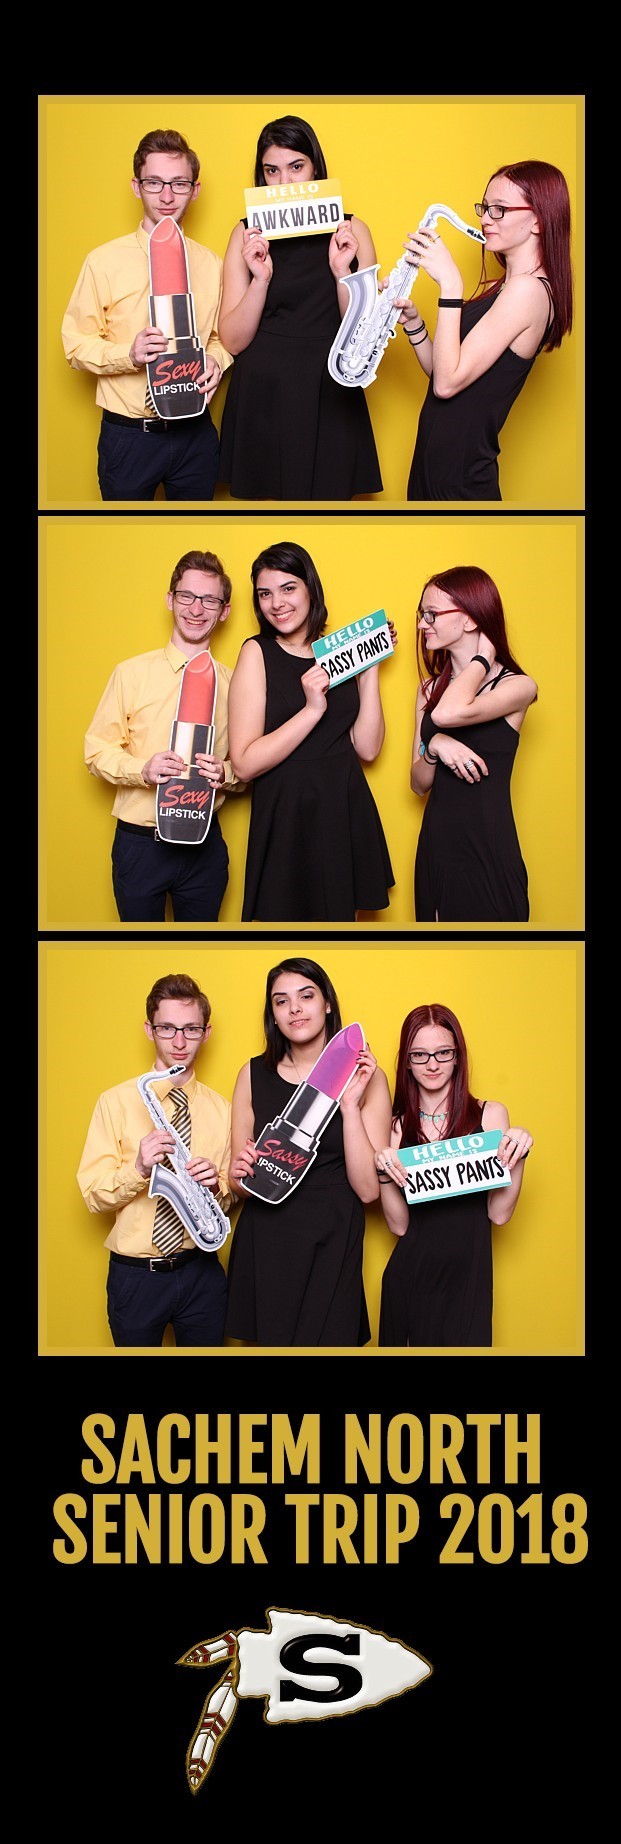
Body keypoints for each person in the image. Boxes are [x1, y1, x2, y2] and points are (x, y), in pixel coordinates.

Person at [225, 958, 392, 1346]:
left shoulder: (368, 1077)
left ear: (327, 1003)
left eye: (306, 996)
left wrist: (350, 1105)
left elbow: (369, 1190)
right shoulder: (251, 1074)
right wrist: (239, 1173)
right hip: (268, 1238)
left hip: (334, 1235)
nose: (294, 1009)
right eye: (281, 1001)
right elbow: (238, 1184)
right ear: (273, 1014)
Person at [217, 114, 382, 499]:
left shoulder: (352, 231)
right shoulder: (245, 235)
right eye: (271, 171)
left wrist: (342, 272)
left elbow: (366, 338)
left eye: (296, 167)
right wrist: (260, 279)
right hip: (263, 394)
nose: (285, 183)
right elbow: (233, 341)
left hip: (331, 388)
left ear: (315, 169)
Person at [62, 127, 231, 500]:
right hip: (129, 439)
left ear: (195, 190)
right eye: (154, 183)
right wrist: (129, 354)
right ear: (136, 187)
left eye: (179, 184)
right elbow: (74, 345)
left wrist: (217, 360)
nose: (167, 196)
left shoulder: (212, 264)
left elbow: (220, 338)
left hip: (196, 435)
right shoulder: (103, 262)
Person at [228, 541, 394, 921]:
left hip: (342, 809)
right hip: (288, 814)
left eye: (288, 588)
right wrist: (312, 709)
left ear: (310, 588)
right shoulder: (256, 652)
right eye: (265, 594)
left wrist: (370, 669)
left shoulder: (337, 651)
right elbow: (244, 764)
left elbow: (367, 749)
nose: (277, 603)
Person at [394, 160, 573, 501]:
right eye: (485, 207)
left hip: (461, 481)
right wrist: (415, 324)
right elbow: (442, 373)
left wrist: (450, 283)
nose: (486, 219)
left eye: (499, 209)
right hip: (434, 471)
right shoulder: (501, 288)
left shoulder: (528, 292)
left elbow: (446, 385)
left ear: (538, 219)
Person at [84, 548, 244, 922]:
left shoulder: (236, 685)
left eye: (209, 600)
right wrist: (142, 769)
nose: (196, 609)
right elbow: (96, 751)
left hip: (204, 848)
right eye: (187, 596)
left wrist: (226, 773)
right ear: (170, 599)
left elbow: (248, 762)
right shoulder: (130, 673)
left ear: (224, 611)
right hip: (141, 847)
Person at [77, 974, 232, 1347]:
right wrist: (139, 1169)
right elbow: (92, 1195)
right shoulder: (114, 1102)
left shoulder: (223, 1109)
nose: (179, 1042)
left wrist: (216, 1186)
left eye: (191, 1029)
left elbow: (231, 1193)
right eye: (167, 1028)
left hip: (202, 1273)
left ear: (206, 1033)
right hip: (136, 1278)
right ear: (149, 1030)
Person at [376, 1004, 533, 1347]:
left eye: (443, 1053)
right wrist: (384, 1172)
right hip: (410, 1280)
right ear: (406, 1061)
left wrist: (518, 1153)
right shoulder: (396, 1127)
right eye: (420, 1055)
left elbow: (499, 1214)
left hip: (468, 1282)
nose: (432, 1064)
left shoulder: (490, 1115)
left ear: (458, 1056)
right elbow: (399, 1226)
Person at [411, 566, 537, 921]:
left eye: (432, 614)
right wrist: (435, 748)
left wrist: (482, 659)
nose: (422, 624)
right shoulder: (427, 690)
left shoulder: (518, 687)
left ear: (469, 619)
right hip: (438, 849)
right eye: (422, 613)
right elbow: (418, 784)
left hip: (489, 850)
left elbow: (449, 713)